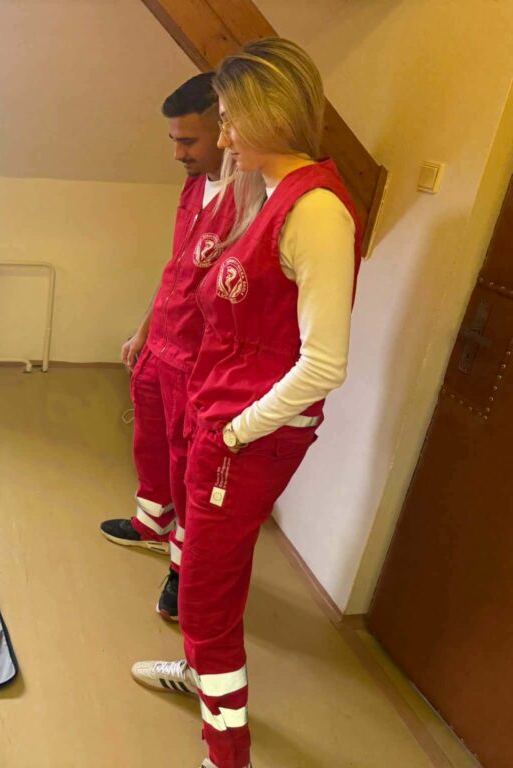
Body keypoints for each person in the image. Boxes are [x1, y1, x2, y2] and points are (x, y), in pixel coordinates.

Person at [130, 39, 363, 768]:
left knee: (203, 596)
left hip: (248, 437)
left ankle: (227, 753)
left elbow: (324, 364)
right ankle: (200, 673)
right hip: (222, 421)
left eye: (230, 119)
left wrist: (235, 431)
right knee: (213, 580)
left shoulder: (318, 212)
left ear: (270, 113)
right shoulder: (266, 196)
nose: (224, 136)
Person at [100, 72, 235, 621]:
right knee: (150, 446)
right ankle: (151, 522)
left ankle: (183, 568)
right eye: (174, 140)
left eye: (189, 141)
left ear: (225, 128)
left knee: (188, 471)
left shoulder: (249, 200)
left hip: (197, 364)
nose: (178, 153)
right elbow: (177, 268)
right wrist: (144, 330)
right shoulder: (195, 185)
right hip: (162, 345)